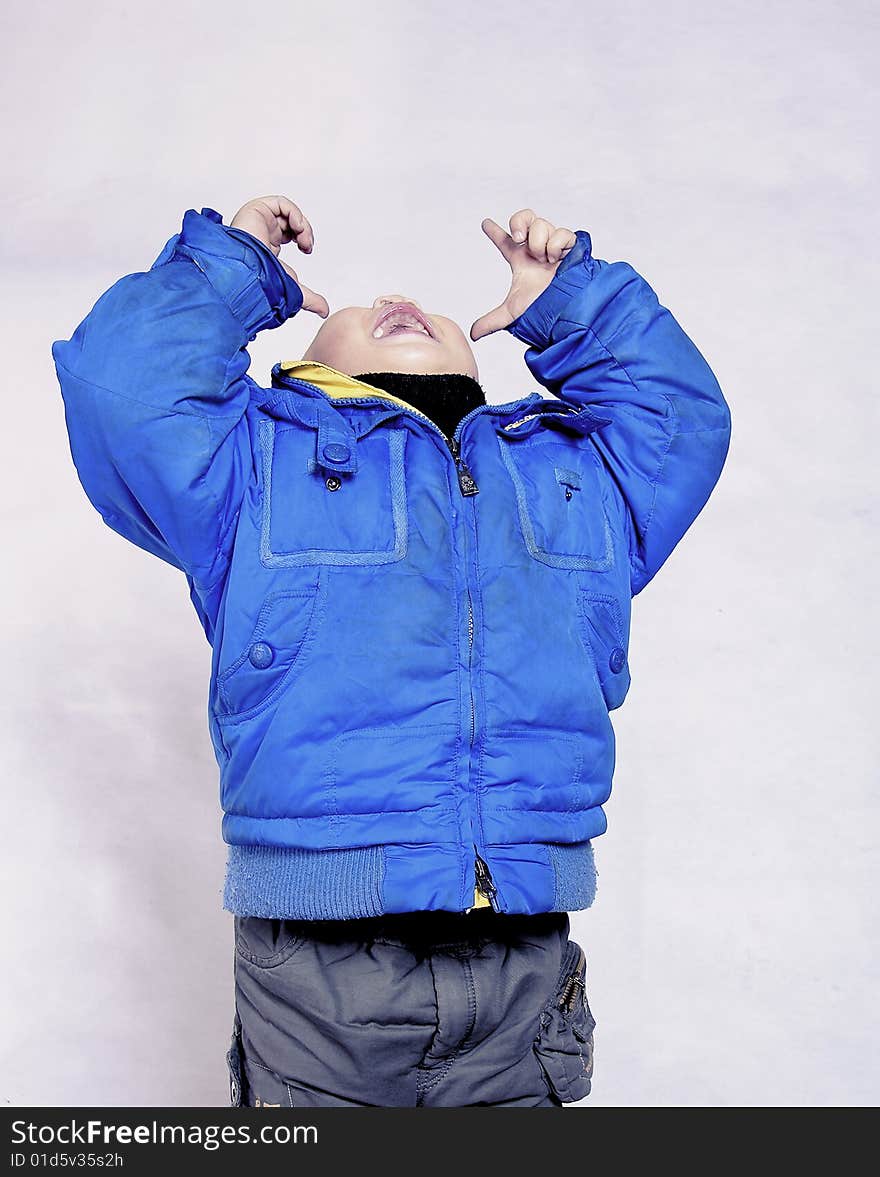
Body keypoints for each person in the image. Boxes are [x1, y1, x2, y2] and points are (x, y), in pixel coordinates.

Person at [51, 194, 731, 1108]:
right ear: (300, 365)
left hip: (521, 947)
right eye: (361, 312)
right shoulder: (251, 465)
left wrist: (577, 302)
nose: (399, 299)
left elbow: (679, 421)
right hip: (320, 958)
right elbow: (123, 388)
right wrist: (236, 267)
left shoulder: (568, 471)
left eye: (431, 313)